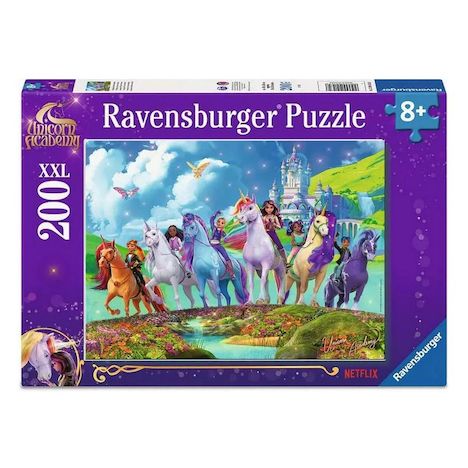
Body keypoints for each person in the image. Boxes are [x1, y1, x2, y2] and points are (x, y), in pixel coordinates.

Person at [261, 200, 287, 266]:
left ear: (274, 208)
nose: (269, 209)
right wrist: (265, 225)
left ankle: (285, 262)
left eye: (271, 207)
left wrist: (273, 224)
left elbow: (279, 227)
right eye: (267, 207)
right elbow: (262, 228)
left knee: (280, 246)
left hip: (272, 233)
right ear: (264, 208)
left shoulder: (274, 217)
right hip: (265, 234)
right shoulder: (264, 217)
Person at [210, 210, 235, 279]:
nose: (219, 223)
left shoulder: (223, 232)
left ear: (224, 225)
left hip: (218, 245)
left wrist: (226, 239)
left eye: (222, 223)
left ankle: (231, 272)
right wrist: (215, 214)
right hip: (211, 245)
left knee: (226, 257)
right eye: (218, 221)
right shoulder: (214, 228)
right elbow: (211, 220)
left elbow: (226, 239)